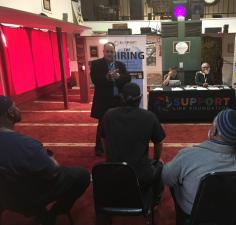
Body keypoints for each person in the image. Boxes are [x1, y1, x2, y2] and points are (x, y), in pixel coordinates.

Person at [162, 109, 236, 222]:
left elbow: (166, 177)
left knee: (176, 180)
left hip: (195, 214)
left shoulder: (188, 156)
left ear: (214, 131)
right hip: (233, 212)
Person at [0, 96, 90, 225]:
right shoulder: (27, 145)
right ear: (10, 112)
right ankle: (52, 214)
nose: (18, 109)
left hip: (5, 198)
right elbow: (53, 172)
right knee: (82, 175)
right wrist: (51, 159)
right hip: (29, 196)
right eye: (15, 106)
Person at [100, 83, 165, 194]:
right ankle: (154, 200)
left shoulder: (108, 115)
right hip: (140, 174)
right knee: (160, 166)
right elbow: (158, 143)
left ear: (121, 97)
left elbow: (103, 139)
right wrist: (156, 159)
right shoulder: (149, 116)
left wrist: (109, 160)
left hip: (113, 171)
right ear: (140, 98)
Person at [90, 42, 131, 156]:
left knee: (119, 124)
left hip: (118, 100)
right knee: (102, 125)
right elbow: (95, 80)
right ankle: (99, 148)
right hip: (103, 100)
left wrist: (119, 77)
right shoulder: (96, 64)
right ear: (103, 52)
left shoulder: (120, 65)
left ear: (114, 53)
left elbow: (128, 78)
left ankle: (118, 145)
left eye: (111, 51)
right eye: (107, 51)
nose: (109, 53)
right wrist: (107, 77)